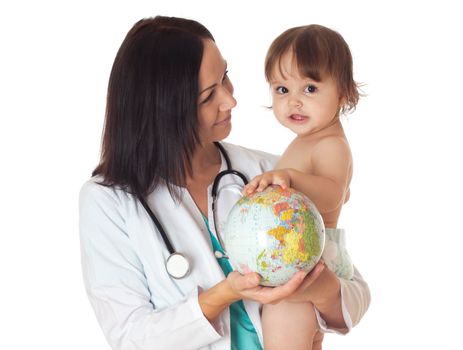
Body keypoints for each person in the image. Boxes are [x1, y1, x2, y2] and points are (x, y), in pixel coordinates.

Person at [79, 16, 370, 350]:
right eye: (208, 96)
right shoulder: (108, 202)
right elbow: (130, 338)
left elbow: (356, 294)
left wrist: (317, 290)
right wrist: (224, 294)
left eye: (225, 78)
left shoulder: (269, 171)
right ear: (164, 109)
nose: (230, 101)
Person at [243, 25, 362, 349]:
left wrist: (292, 179)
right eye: (282, 90)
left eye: (309, 89)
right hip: (300, 258)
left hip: (308, 265)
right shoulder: (308, 141)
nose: (294, 102)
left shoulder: (330, 144)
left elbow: (334, 194)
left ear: (343, 93)